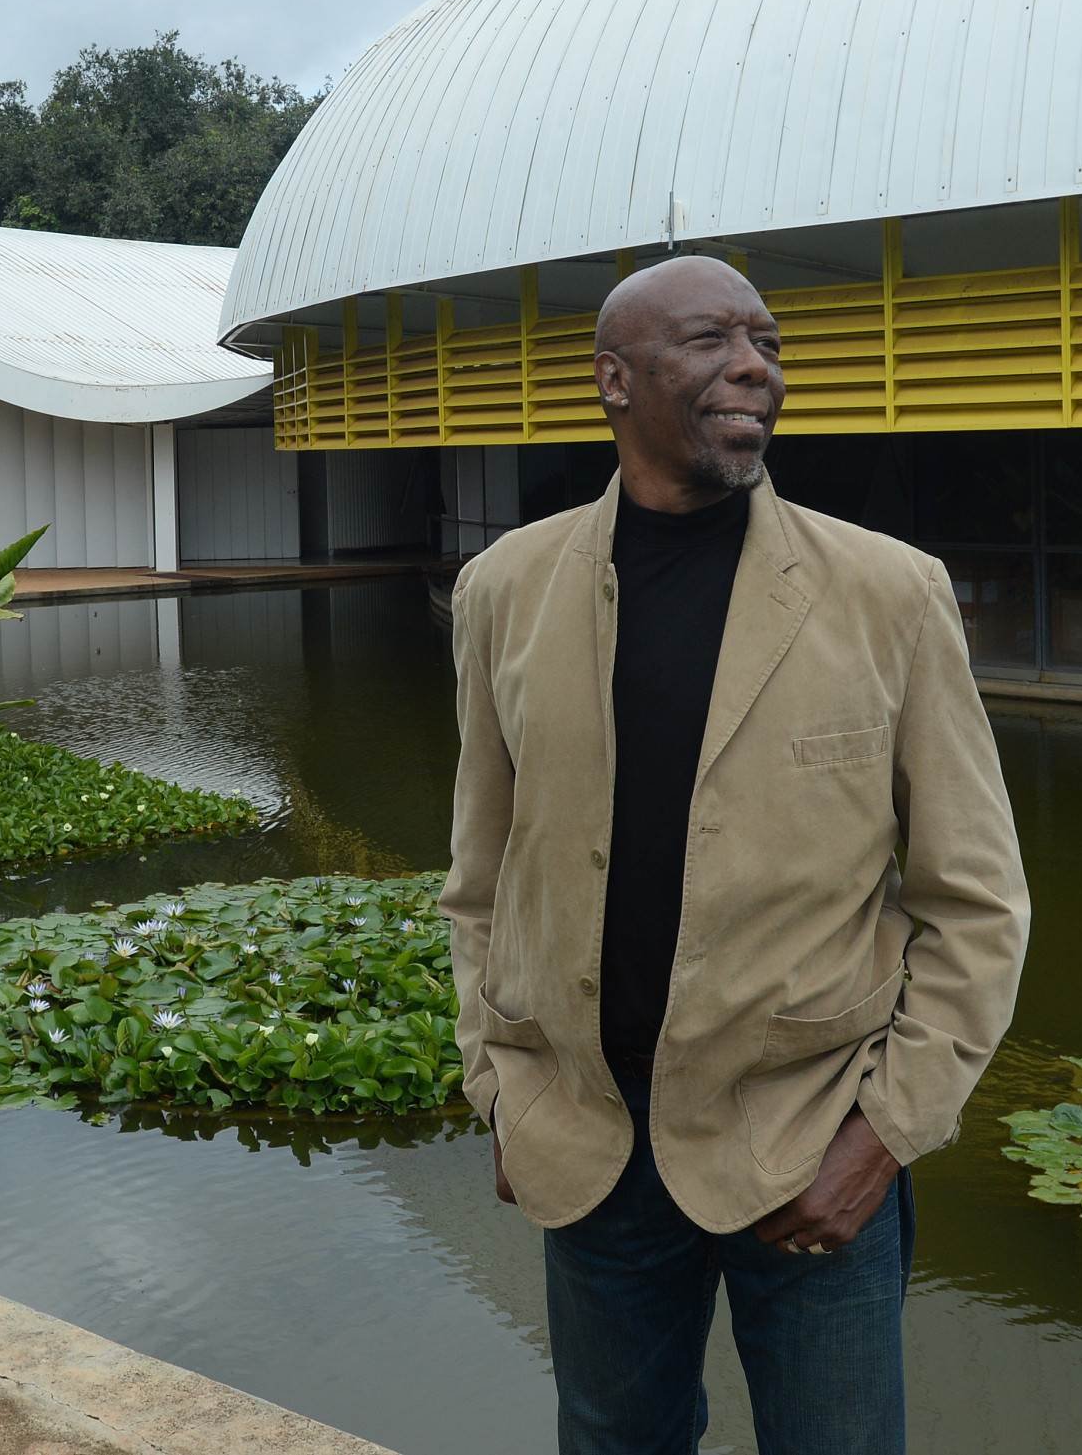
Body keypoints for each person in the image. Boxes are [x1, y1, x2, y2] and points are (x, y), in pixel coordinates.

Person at [441, 254, 1030, 1455]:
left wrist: (886, 1136)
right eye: (711, 341)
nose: (754, 367)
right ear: (613, 380)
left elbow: (975, 901)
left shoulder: (889, 593)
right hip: (590, 1140)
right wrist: (497, 1089)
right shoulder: (504, 589)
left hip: (811, 1137)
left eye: (765, 343)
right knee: (613, 1441)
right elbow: (480, 877)